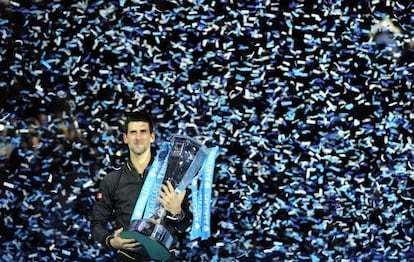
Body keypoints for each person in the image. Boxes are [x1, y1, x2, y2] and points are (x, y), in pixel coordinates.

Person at [90, 111, 191, 261]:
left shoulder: (172, 177)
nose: (138, 138)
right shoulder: (112, 180)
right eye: (133, 133)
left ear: (152, 137)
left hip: (165, 257)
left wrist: (177, 212)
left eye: (143, 132)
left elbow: (186, 226)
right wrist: (111, 241)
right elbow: (97, 224)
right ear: (125, 138)